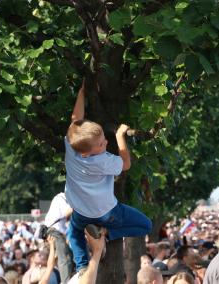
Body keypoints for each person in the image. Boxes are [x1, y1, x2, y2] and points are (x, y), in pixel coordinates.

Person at [65, 80, 152, 275]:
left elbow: (75, 119)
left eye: (105, 139)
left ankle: (81, 266)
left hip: (81, 210)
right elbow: (126, 165)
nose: (106, 143)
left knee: (74, 231)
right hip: (107, 212)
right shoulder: (102, 161)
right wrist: (120, 136)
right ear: (88, 153)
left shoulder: (71, 148)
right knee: (146, 225)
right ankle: (107, 234)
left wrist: (82, 91)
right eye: (102, 144)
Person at [42, 192, 74, 284]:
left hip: (55, 231)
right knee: (65, 258)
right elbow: (67, 212)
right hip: (54, 231)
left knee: (69, 255)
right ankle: (66, 282)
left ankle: (68, 279)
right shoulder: (62, 198)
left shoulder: (62, 198)